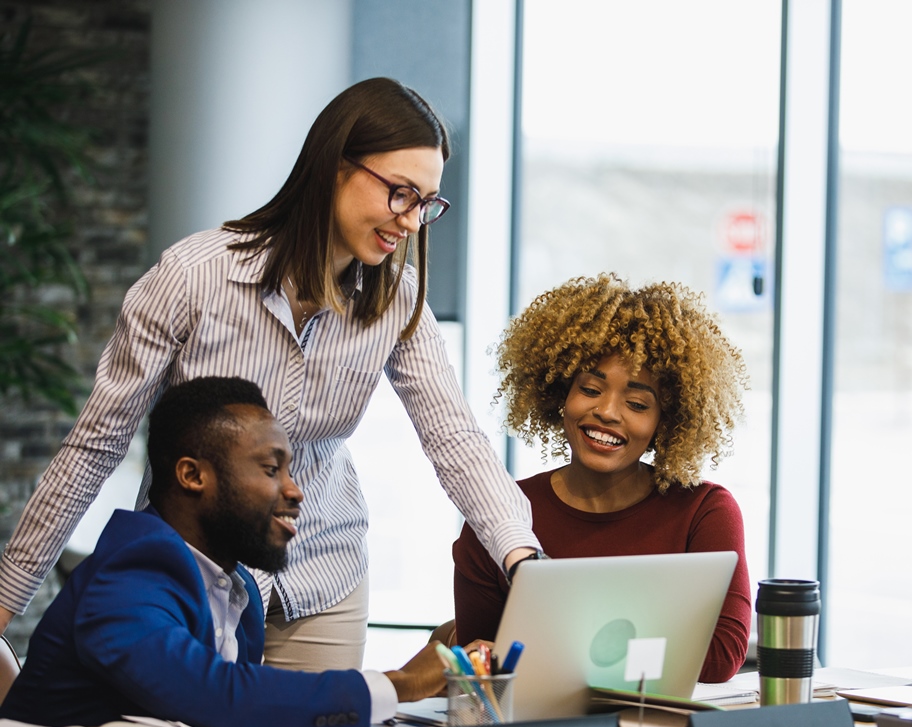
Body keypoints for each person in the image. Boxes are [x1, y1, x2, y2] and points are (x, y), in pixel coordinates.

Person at [0, 78, 541, 670]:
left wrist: (521, 556)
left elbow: (454, 438)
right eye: (401, 194)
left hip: (320, 574)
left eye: (427, 203)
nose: (412, 222)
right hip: (193, 572)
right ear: (336, 166)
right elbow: (95, 445)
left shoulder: (396, 300)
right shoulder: (193, 277)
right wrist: (6, 600)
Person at [0, 377, 460, 727]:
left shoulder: (238, 593)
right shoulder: (131, 573)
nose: (295, 490)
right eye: (270, 468)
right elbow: (217, 699)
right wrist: (401, 683)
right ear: (191, 475)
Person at [453, 274, 753, 683]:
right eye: (591, 389)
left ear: (667, 421)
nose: (608, 412)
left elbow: (720, 658)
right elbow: (484, 663)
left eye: (636, 402)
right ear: (559, 394)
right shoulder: (498, 515)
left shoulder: (704, 512)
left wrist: (553, 645)